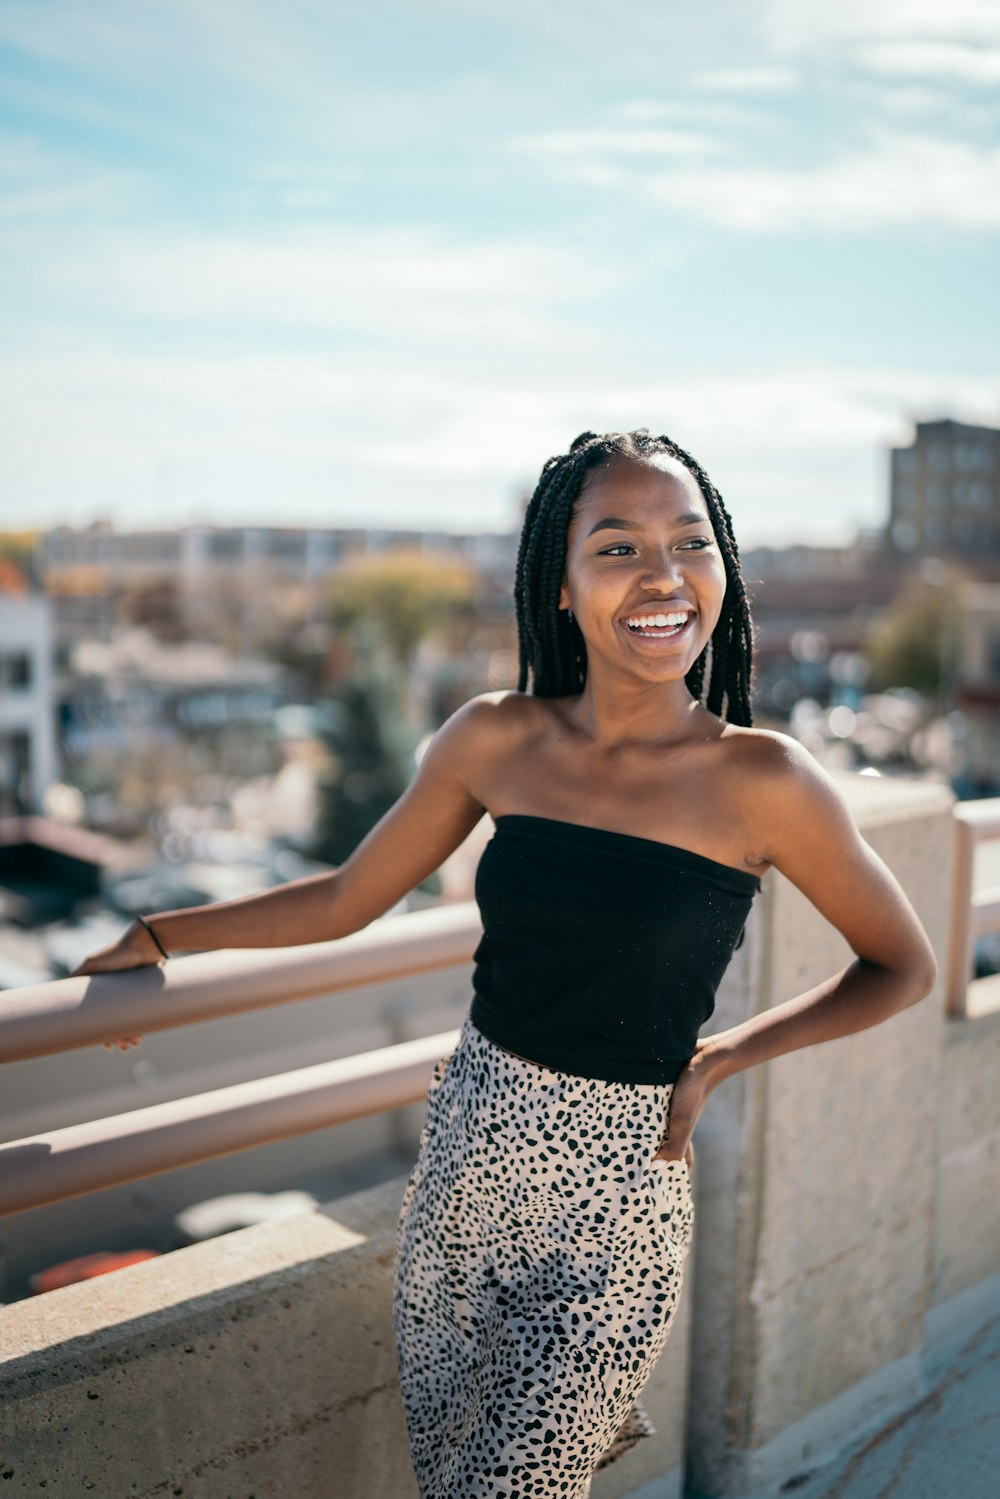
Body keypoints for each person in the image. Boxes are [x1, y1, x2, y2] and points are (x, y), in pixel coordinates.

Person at [73, 428, 938, 1497]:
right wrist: (162, 936)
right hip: (466, 1163)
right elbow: (348, 897)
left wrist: (719, 1060)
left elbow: (899, 963)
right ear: (562, 587)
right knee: (455, 1480)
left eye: (690, 541)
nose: (664, 575)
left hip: (620, 1200)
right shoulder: (494, 739)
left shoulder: (764, 779)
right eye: (617, 547)